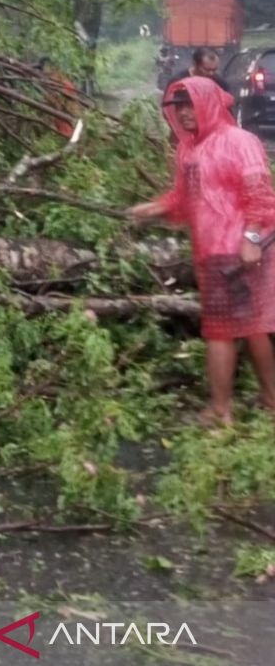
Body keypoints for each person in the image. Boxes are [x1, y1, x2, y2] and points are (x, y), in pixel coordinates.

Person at [129, 78, 275, 426]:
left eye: (189, 104)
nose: (183, 113)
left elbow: (260, 195)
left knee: (220, 331)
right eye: (178, 106)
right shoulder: (189, 150)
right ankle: (271, 398)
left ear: (208, 103)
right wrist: (153, 209)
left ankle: (221, 410)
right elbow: (184, 198)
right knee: (253, 327)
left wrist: (251, 237)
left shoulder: (239, 142)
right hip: (211, 251)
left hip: (240, 250)